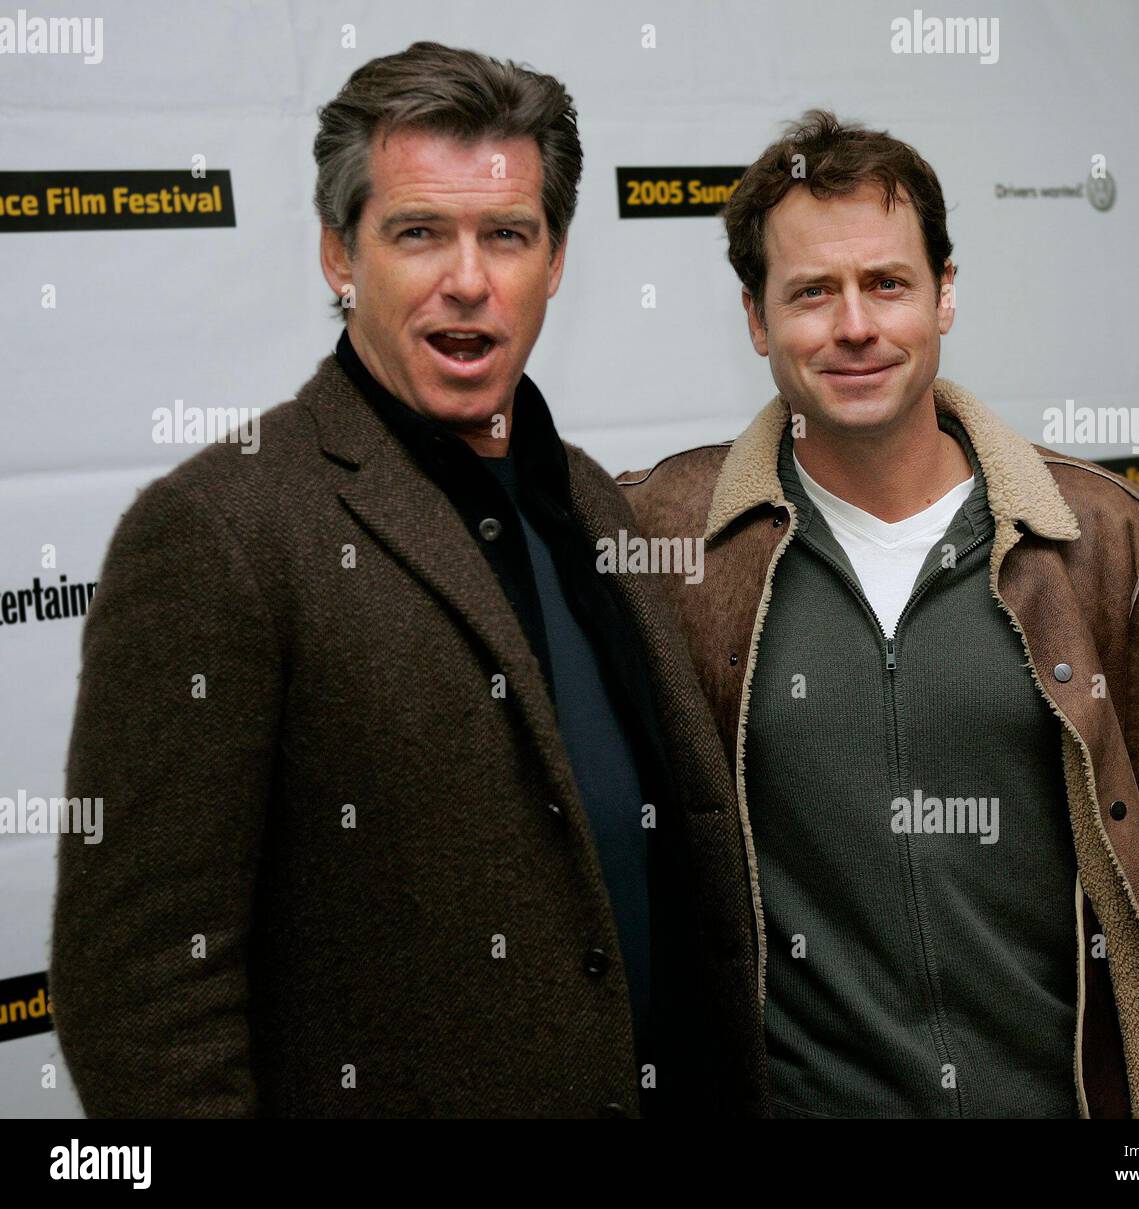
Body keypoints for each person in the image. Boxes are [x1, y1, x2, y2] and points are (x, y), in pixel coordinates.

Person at [50, 41, 766, 1119]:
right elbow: (145, 999)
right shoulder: (218, 530)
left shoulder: (589, 499)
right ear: (341, 257)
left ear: (556, 259)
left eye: (506, 235)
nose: (468, 280)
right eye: (418, 233)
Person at [620, 110, 1139, 1119]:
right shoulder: (670, 539)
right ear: (755, 319)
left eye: (886, 283)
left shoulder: (1100, 538)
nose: (854, 326)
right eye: (810, 293)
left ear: (945, 295)